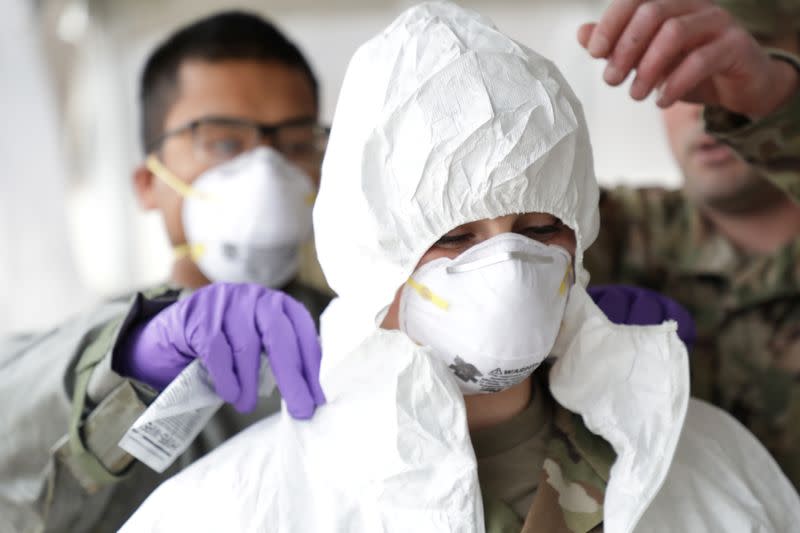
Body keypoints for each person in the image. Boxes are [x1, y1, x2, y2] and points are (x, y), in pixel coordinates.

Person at [120, 4, 800, 532]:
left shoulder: (703, 462)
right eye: (454, 237)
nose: (506, 263)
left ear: (582, 240)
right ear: (371, 251)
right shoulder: (235, 505)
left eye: (539, 228)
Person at [0, 11, 331, 532]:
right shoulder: (108, 346)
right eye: (223, 142)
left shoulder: (361, 332)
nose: (268, 173)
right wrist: (129, 360)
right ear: (147, 184)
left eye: (295, 145)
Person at [579, 0, 800, 489]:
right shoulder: (611, 232)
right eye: (675, 63)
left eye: (733, 61)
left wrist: (781, 110)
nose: (707, 102)